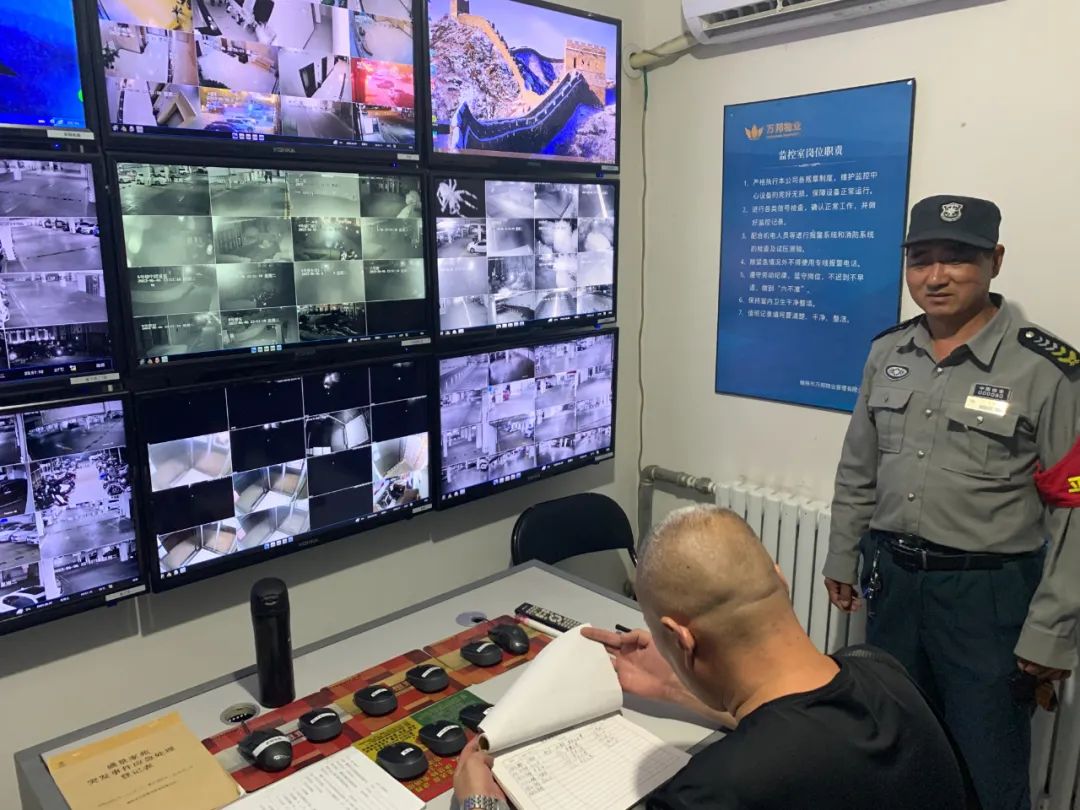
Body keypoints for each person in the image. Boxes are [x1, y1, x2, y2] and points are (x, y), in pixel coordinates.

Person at [823, 195, 1080, 810]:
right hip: (894, 582)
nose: (935, 276)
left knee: (988, 765)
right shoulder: (888, 352)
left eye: (957, 258)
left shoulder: (1047, 369)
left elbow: (1071, 511)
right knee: (895, 743)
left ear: (995, 260)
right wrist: (842, 554)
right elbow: (859, 466)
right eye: (921, 259)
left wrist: (1051, 631)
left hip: (988, 598)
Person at [453, 506, 972, 810]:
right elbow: (805, 727)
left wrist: (478, 805)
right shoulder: (881, 669)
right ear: (781, 579)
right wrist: (676, 688)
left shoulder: (710, 791)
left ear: (682, 639)